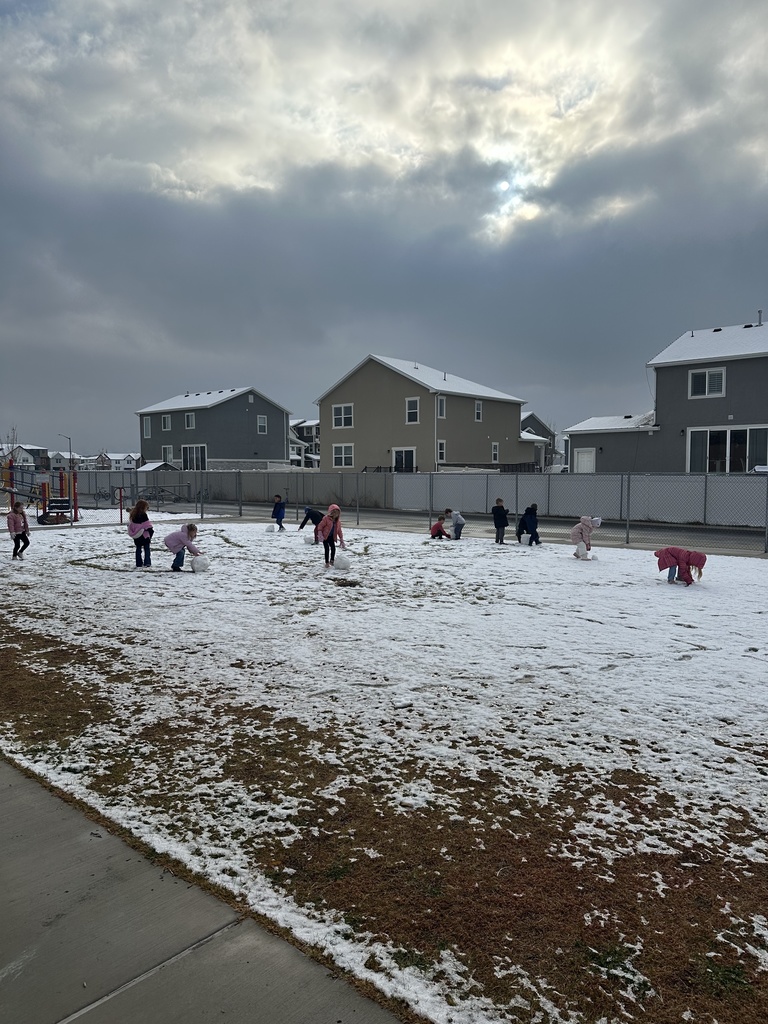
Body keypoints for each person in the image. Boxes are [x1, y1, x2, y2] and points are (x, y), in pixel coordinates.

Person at [127, 498, 154, 568]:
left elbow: (133, 524)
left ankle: (138, 563)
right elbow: (147, 524)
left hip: (137, 535)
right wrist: (150, 531)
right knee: (147, 549)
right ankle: (147, 562)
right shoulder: (143, 515)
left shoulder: (133, 514)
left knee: (138, 549)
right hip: (144, 535)